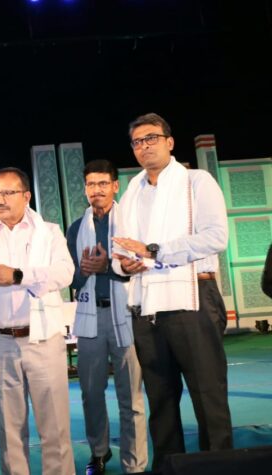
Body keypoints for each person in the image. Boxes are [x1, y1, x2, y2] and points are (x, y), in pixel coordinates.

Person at [111, 113, 233, 471]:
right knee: (161, 404)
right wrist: (126, 265)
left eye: (151, 138)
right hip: (147, 307)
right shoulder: (131, 192)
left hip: (193, 300)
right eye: (137, 142)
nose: (144, 146)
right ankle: (168, 468)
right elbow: (120, 252)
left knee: (208, 398)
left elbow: (216, 237)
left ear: (169, 142)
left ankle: (219, 468)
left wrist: (154, 251)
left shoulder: (197, 181)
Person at [0, 167, 75, 475]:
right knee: (9, 433)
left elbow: (65, 273)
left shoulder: (49, 232)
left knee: (55, 428)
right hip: (0, 343)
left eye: (7, 193)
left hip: (42, 340)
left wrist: (17, 275)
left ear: (26, 196)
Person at [65, 159, 147, 475]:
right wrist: (84, 272)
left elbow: (142, 266)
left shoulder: (132, 223)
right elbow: (70, 278)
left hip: (127, 314)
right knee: (90, 393)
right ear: (85, 189)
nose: (96, 190)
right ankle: (99, 452)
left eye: (102, 183)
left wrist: (108, 266)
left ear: (115, 186)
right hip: (90, 317)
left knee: (131, 395)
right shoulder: (76, 228)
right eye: (90, 184)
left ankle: (134, 462)